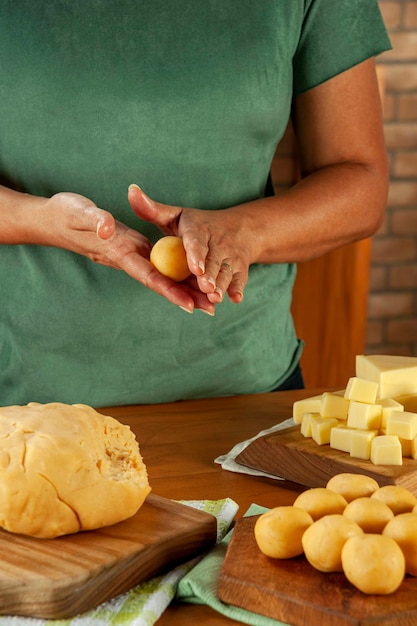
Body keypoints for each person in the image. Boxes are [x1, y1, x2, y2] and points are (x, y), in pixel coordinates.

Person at [0, 1, 391, 408]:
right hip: (23, 399)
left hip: (244, 397)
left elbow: (360, 181)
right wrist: (39, 220)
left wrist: (243, 232)